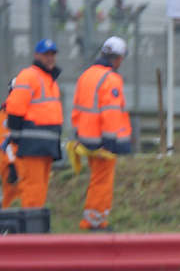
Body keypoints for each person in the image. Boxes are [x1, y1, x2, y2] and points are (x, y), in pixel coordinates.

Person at [71, 36, 132, 231]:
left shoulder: (86, 75)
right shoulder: (111, 79)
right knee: (103, 181)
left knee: (96, 179)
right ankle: (94, 221)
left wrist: (79, 134)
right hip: (103, 139)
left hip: (86, 138)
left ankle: (93, 218)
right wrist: (110, 141)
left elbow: (78, 109)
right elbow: (111, 113)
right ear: (118, 58)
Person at [3, 39, 63, 210]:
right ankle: (30, 230)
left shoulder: (50, 80)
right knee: (33, 187)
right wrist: (16, 137)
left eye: (52, 54)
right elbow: (15, 109)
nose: (50, 58)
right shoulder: (29, 75)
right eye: (46, 54)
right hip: (33, 144)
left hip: (46, 144)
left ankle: (36, 227)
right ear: (37, 55)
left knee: (41, 186)